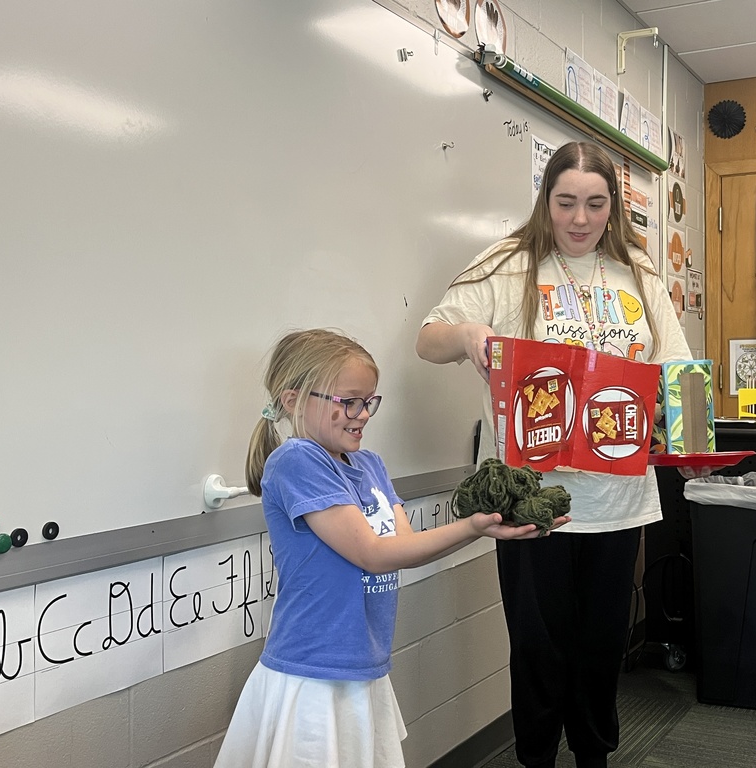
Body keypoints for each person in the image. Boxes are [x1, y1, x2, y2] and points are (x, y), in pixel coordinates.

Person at [415, 141, 693, 768]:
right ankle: (536, 758)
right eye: (565, 202)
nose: (579, 219)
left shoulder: (641, 275)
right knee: (538, 649)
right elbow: (427, 340)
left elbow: (677, 369)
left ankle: (594, 756)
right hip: (528, 500)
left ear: (613, 208)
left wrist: (678, 422)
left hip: (617, 500)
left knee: (600, 649)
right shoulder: (508, 265)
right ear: (545, 200)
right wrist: (467, 336)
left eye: (595, 204)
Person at [215, 328, 568, 768]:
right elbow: (371, 554)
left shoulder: (370, 465)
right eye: (348, 401)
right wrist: (474, 528)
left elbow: (404, 546)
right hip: (312, 673)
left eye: (368, 402)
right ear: (293, 401)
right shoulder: (297, 462)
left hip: (364, 666)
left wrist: (490, 523)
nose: (362, 414)